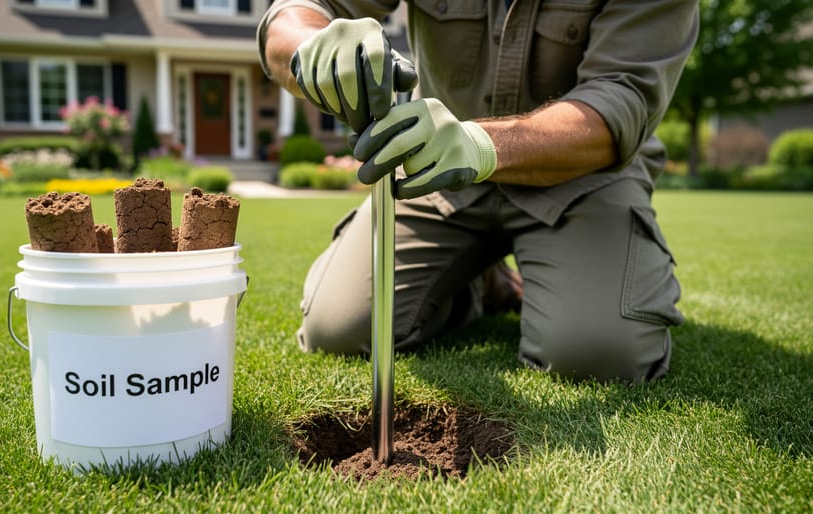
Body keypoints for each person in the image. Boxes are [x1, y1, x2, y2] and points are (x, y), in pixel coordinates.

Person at [256, 0, 697, 382]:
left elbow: (622, 100)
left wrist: (481, 145)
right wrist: (312, 45)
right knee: (338, 328)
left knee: (597, 353)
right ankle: (480, 282)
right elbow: (291, 15)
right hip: (436, 170)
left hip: (582, 175)